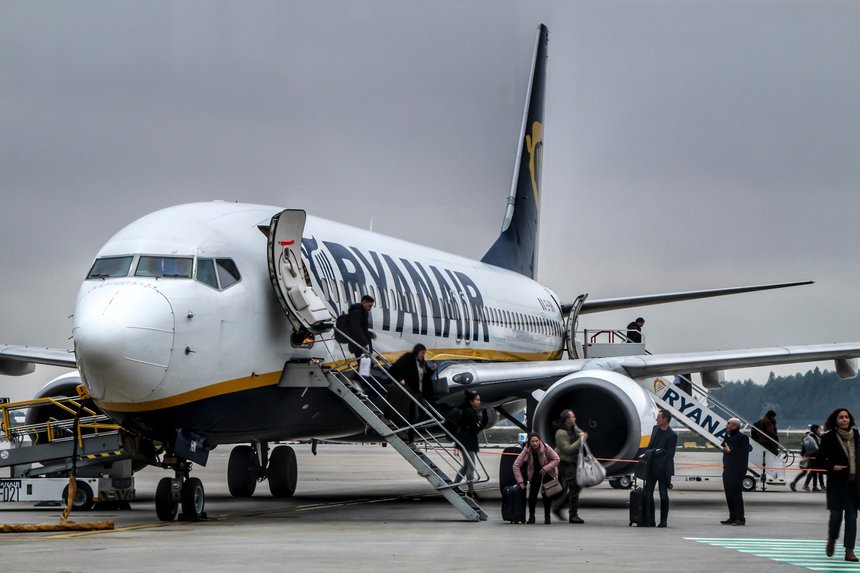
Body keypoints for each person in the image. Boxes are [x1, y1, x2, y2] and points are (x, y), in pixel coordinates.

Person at [819, 408, 860, 562]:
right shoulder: (828, 437)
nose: (844, 420)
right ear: (835, 420)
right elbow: (820, 459)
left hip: (853, 484)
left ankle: (849, 551)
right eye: (841, 417)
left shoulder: (855, 435)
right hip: (836, 484)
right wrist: (832, 467)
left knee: (852, 518)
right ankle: (832, 539)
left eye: (846, 417)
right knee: (836, 517)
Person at [387, 344, 437, 440]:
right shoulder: (407, 359)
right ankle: (403, 431)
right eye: (422, 353)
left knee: (424, 413)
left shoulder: (422, 362)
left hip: (420, 392)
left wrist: (431, 371)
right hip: (410, 391)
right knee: (411, 414)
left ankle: (405, 429)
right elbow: (394, 370)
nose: (423, 355)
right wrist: (400, 379)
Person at [513, 432, 560, 524]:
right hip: (534, 474)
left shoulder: (546, 448)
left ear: (539, 441)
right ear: (529, 442)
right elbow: (516, 465)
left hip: (547, 474)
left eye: (536, 441)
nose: (535, 443)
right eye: (532, 441)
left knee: (547, 497)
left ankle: (547, 516)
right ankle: (531, 516)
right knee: (532, 497)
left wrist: (546, 468)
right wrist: (521, 482)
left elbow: (557, 459)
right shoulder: (526, 450)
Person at [642, 409, 677, 527]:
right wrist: (650, 453)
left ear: (665, 420)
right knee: (648, 493)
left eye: (659, 417)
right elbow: (651, 446)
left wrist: (653, 452)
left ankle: (663, 521)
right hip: (652, 467)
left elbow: (669, 454)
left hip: (663, 470)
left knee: (663, 495)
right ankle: (650, 519)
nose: (657, 419)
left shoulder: (672, 435)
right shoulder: (655, 429)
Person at [551, 409, 588, 524]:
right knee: (572, 489)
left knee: (575, 488)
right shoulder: (561, 433)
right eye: (572, 417)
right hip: (564, 463)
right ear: (567, 420)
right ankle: (573, 515)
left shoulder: (572, 427)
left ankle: (558, 507)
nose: (575, 419)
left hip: (572, 462)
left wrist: (581, 434)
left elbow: (579, 431)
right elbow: (567, 449)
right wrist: (581, 440)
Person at [453, 390, 488, 498]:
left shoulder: (468, 410)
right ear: (471, 401)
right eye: (477, 400)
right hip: (467, 442)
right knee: (471, 466)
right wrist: (480, 424)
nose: (479, 402)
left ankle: (455, 485)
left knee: (466, 466)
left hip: (467, 441)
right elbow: (474, 428)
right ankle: (471, 490)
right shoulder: (468, 411)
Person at [721, 417, 750, 526]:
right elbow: (725, 446)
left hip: (737, 470)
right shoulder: (728, 435)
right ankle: (732, 516)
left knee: (736, 494)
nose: (726, 425)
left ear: (734, 426)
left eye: (728, 423)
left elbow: (742, 453)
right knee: (729, 493)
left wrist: (730, 451)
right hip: (728, 468)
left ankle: (740, 518)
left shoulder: (743, 438)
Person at [791, 424, 824, 492]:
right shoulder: (811, 437)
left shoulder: (815, 436)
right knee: (812, 471)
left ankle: (814, 487)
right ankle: (797, 483)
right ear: (815, 430)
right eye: (818, 429)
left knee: (813, 471)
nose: (820, 430)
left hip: (812, 456)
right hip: (811, 457)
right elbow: (815, 447)